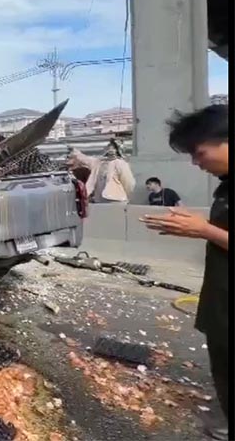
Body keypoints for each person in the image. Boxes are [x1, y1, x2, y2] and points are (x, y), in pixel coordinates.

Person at [140, 105, 229, 439]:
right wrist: (199, 229)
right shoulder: (225, 184)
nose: (196, 162)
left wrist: (205, 230)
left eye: (199, 152)